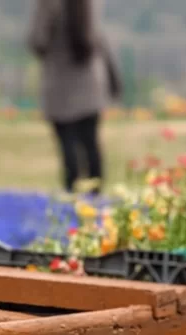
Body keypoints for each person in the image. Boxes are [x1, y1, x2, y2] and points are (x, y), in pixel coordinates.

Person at [29, 0, 122, 192]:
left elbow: (38, 40)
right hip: (91, 82)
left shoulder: (48, 4)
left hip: (60, 81)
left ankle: (72, 200)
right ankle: (96, 199)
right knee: (90, 143)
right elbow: (99, 38)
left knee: (68, 144)